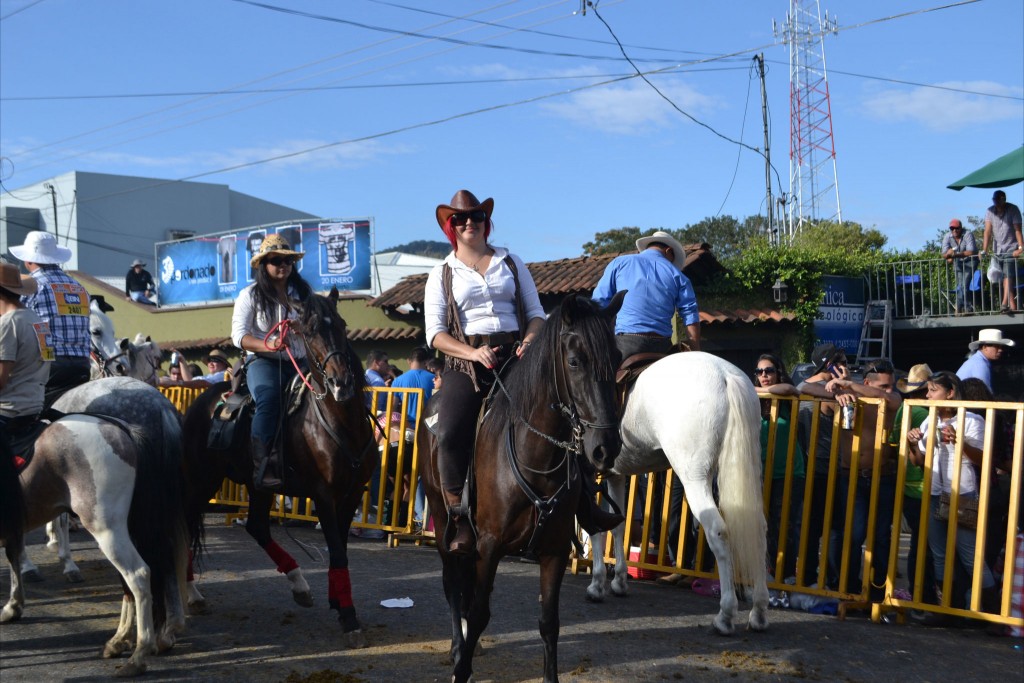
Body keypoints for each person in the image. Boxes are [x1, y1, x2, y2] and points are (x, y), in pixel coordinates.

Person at [424, 189, 621, 555]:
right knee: (449, 428)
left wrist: (530, 341)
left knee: (565, 413)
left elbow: (535, 314)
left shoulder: (511, 262)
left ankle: (585, 504)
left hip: (518, 356)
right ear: (451, 227)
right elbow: (435, 334)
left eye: (477, 216)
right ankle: (460, 517)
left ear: (486, 222)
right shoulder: (441, 273)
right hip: (466, 363)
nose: (469, 223)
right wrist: (472, 352)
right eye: (460, 219)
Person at [906, 371, 998, 625]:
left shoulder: (972, 419)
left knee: (970, 555)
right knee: (939, 555)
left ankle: (992, 616)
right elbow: (918, 461)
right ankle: (946, 610)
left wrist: (960, 442)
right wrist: (912, 443)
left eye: (933, 390)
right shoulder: (929, 420)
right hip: (935, 492)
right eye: (927, 390)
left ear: (950, 393)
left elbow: (983, 459)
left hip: (963, 493)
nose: (927, 396)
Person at [230, 233, 311, 492]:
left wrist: (305, 327)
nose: (283, 265)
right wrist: (269, 345)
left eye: (288, 260)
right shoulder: (249, 295)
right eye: (276, 260)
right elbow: (238, 336)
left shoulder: (304, 294)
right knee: (269, 398)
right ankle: (264, 465)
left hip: (301, 361)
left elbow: (317, 325)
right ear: (264, 265)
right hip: (263, 362)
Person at [825, 359, 902, 600]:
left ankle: (877, 594)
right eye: (883, 385)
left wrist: (849, 385)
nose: (888, 390)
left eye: (891, 385)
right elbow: (804, 388)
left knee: (880, 537)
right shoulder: (849, 398)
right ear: (867, 382)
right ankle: (847, 589)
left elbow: (891, 399)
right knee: (853, 535)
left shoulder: (890, 400)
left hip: (884, 477)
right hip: (853, 477)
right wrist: (836, 391)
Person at [9, 231, 91, 407]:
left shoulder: (31, 286)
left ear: (28, 260)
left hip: (48, 365)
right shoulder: (79, 287)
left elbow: (16, 322)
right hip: (82, 364)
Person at [592, 230, 700, 358]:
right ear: (668, 251)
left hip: (625, 343)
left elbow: (598, 303)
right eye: (672, 259)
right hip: (663, 346)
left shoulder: (619, 263)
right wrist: (696, 352)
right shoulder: (679, 276)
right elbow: (690, 315)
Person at [795, 342, 849, 588]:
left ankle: (807, 578)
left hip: (809, 466)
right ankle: (832, 581)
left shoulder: (805, 387)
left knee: (810, 525)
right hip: (826, 467)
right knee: (833, 528)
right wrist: (843, 387)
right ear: (830, 365)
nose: (847, 366)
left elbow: (803, 385)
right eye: (842, 362)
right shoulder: (832, 392)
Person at [753, 353, 806, 580]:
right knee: (761, 525)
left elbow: (791, 389)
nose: (764, 375)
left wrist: (755, 390)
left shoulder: (784, 397)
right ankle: (766, 572)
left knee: (785, 525)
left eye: (769, 370)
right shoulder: (754, 401)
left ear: (778, 372)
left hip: (788, 472)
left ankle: (787, 575)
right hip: (760, 472)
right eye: (759, 372)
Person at [889, 363, 937, 608]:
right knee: (924, 545)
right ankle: (921, 594)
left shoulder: (903, 409)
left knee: (919, 542)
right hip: (920, 485)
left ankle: (917, 592)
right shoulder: (923, 413)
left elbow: (891, 442)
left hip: (907, 483)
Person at [0, 262, 51, 434]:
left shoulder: (8, 323)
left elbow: (1, 380)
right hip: (35, 405)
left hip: (8, 409)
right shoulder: (38, 321)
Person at [390, 347, 437, 528]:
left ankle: (404, 519)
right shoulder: (432, 378)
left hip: (404, 432)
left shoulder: (398, 381)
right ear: (426, 362)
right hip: (427, 431)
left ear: (410, 361)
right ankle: (420, 518)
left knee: (404, 480)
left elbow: (393, 408)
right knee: (422, 476)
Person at [981, 190, 1023, 315]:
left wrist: (1021, 247)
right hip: (997, 249)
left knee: (1007, 274)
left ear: (1004, 199)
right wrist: (984, 250)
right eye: (995, 200)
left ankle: (1004, 303)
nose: (997, 202)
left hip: (1011, 247)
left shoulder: (1013, 209)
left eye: (999, 200)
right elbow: (987, 231)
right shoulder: (989, 211)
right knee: (1004, 277)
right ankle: (1013, 306)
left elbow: (1018, 230)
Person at [956, 328, 1015, 393]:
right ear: (985, 347)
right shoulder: (979, 364)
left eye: (1001, 347)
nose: (1000, 350)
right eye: (997, 346)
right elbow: (984, 393)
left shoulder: (977, 361)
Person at [941, 219, 978, 314]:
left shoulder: (968, 234)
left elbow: (971, 251)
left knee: (964, 284)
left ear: (961, 228)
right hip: (958, 263)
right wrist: (948, 255)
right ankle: (965, 308)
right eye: (952, 228)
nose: (954, 230)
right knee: (961, 286)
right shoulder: (947, 236)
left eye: (956, 228)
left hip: (970, 262)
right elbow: (944, 254)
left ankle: (961, 308)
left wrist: (955, 255)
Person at [159, 348, 231, 387]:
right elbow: (190, 381)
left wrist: (177, 383)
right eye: (209, 360)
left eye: (215, 360)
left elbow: (204, 383)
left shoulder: (224, 374)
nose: (210, 363)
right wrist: (182, 360)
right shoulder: (210, 376)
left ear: (224, 364)